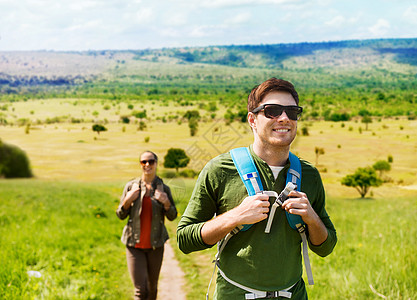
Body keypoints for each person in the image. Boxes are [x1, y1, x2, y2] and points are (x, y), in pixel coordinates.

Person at [177, 78, 337, 299]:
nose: (284, 118)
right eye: (272, 111)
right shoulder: (220, 170)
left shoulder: (308, 175)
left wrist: (311, 218)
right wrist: (235, 216)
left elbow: (326, 247)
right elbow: (185, 239)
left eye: (292, 111)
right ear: (252, 119)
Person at [116, 150, 177, 300]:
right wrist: (127, 201)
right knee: (140, 290)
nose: (147, 164)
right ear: (140, 165)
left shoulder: (163, 188)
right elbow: (120, 214)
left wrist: (166, 202)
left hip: (156, 245)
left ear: (156, 164)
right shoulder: (131, 187)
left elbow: (172, 216)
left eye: (151, 161)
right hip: (134, 245)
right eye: (144, 162)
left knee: (152, 289)